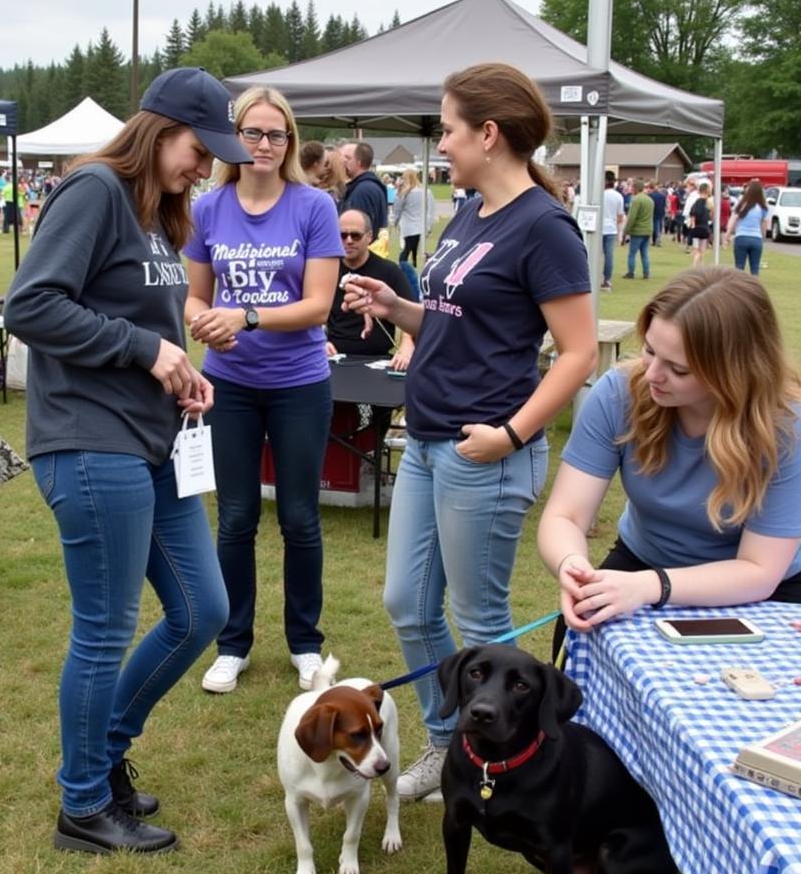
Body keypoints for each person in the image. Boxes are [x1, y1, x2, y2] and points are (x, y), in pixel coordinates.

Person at [3, 67, 247, 854]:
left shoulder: (158, 216)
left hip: (155, 440)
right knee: (104, 630)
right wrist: (147, 350)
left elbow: (147, 315)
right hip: (88, 441)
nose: (203, 168)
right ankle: (82, 805)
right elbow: (32, 305)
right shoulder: (95, 190)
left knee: (203, 610)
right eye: (196, 149)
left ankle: (101, 755)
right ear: (157, 129)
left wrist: (181, 374)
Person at [340, 62, 597, 801]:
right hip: (427, 440)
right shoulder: (469, 211)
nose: (442, 143)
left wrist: (511, 437)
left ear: (489, 134)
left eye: (449, 129)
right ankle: (451, 743)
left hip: (484, 450)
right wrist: (398, 305)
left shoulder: (544, 227)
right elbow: (459, 321)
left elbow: (576, 352)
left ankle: (516, 765)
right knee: (406, 606)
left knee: (479, 616)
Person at [538, 267, 801, 658]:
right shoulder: (618, 394)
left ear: (733, 372)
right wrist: (574, 567)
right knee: (579, 658)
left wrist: (650, 587)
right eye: (649, 350)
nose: (652, 374)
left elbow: (758, 571)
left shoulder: (787, 429)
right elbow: (566, 516)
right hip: (642, 562)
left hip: (765, 592)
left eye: (678, 369)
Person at [184, 85, 342, 696]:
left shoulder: (313, 207)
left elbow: (318, 304)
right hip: (229, 384)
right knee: (236, 518)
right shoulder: (208, 207)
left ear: (291, 142)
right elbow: (197, 294)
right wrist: (204, 320)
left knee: (301, 519)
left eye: (277, 134)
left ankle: (305, 642)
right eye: (253, 132)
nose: (265, 145)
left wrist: (245, 316)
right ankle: (233, 643)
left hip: (299, 383)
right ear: (235, 138)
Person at [326, 208, 416, 366]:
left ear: (369, 237)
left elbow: (411, 314)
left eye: (356, 235)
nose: (348, 241)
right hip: (334, 357)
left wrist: (406, 346)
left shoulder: (389, 271)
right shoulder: (326, 270)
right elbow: (311, 315)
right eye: (342, 235)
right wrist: (319, 343)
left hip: (378, 357)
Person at [339, 141, 388, 236]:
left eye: (348, 158)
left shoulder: (363, 190)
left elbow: (356, 230)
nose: (343, 162)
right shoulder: (370, 186)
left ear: (359, 162)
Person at [723, 179, 768, 276]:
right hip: (756, 238)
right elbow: (764, 224)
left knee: (739, 267)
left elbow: (733, 219)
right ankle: (754, 289)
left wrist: (727, 235)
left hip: (742, 237)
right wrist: (763, 237)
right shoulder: (762, 207)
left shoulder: (741, 204)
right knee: (755, 268)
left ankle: (740, 289)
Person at [393, 167, 436, 267]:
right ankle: (413, 265)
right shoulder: (426, 191)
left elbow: (397, 210)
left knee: (407, 249)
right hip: (420, 225)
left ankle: (404, 267)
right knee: (413, 248)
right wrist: (429, 226)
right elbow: (430, 210)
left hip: (407, 226)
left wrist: (395, 222)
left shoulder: (404, 193)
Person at [622, 178, 652, 280]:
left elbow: (631, 217)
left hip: (637, 231)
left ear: (635, 188)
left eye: (632, 187)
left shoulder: (636, 200)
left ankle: (631, 272)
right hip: (647, 230)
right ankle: (646, 273)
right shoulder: (649, 200)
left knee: (632, 254)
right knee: (644, 254)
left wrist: (626, 231)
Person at [600, 170, 625, 291]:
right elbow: (620, 217)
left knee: (595, 255)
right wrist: (620, 232)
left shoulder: (599, 194)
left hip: (599, 229)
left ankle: (596, 277)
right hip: (611, 228)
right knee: (609, 256)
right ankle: (607, 280)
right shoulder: (618, 196)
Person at [688, 180, 713, 267]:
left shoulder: (697, 202)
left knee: (697, 250)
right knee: (701, 251)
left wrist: (693, 225)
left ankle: (698, 266)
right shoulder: (708, 202)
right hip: (704, 227)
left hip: (697, 228)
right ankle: (696, 266)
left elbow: (692, 214)